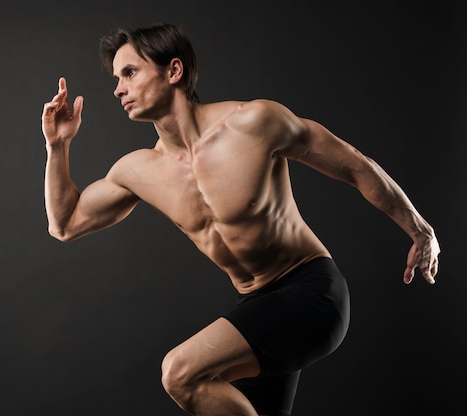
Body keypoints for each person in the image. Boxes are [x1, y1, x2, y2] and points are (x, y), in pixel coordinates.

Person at [40, 23, 440, 416]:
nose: (118, 89)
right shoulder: (138, 170)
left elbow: (355, 166)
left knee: (180, 374)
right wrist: (58, 146)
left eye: (130, 72)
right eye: (116, 78)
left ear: (173, 71)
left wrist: (420, 230)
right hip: (257, 306)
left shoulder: (254, 123)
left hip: (311, 291)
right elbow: (65, 224)